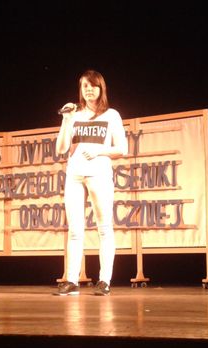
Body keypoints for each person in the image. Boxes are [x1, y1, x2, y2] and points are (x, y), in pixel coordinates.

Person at [55, 69, 128, 296]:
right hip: (74, 174)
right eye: (84, 86)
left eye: (93, 85)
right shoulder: (74, 115)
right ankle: (72, 280)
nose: (88, 90)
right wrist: (66, 120)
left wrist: (98, 151)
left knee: (104, 227)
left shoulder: (111, 115)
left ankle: (104, 280)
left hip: (99, 174)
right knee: (75, 229)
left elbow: (122, 149)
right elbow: (60, 149)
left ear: (100, 88)